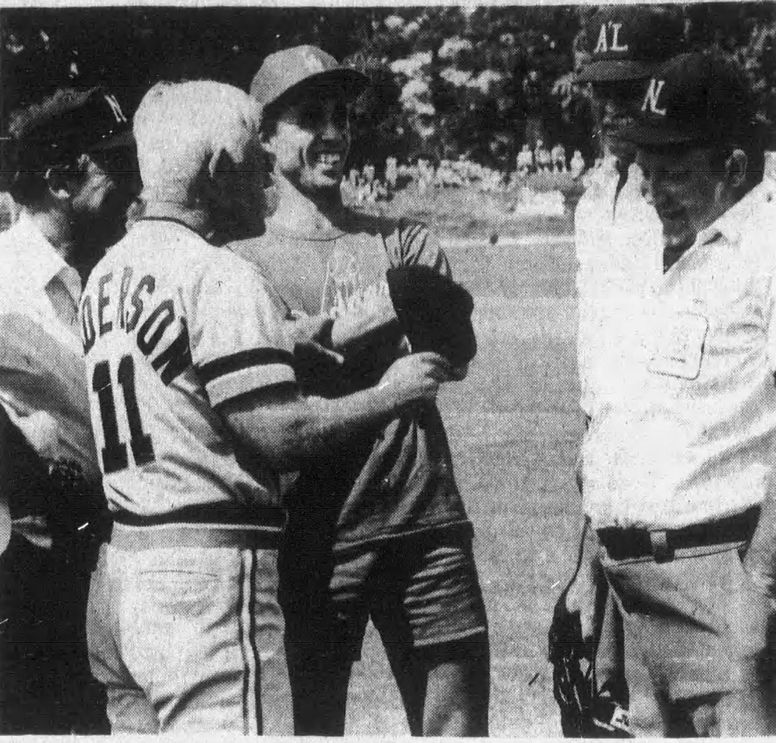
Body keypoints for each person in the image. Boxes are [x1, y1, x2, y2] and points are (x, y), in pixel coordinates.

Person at [79, 79, 454, 735]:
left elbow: (180, 376)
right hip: (203, 576)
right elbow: (280, 432)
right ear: (219, 167)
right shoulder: (221, 274)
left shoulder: (108, 271)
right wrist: (390, 394)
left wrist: (295, 337)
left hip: (124, 569)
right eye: (256, 160)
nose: (266, 178)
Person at [230, 45, 490, 737]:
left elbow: (450, 347)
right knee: (311, 726)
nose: (333, 134)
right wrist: (385, 322)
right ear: (265, 135)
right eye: (310, 118)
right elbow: (272, 401)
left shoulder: (401, 238)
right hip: (311, 534)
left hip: (425, 521)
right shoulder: (235, 264)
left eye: (341, 116)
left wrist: (314, 335)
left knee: (458, 728)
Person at [575, 50, 776, 737]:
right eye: (647, 171)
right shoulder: (670, 248)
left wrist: (759, 590)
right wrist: (589, 574)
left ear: (733, 167)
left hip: (719, 581)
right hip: (636, 589)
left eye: (672, 173)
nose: (653, 192)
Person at [561, 6, 685, 735]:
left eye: (628, 89)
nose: (610, 107)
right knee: (599, 685)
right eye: (600, 90)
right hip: (607, 450)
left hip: (674, 459)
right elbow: (597, 349)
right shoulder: (595, 196)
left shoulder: (686, 198)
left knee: (679, 683)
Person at [0, 86, 138, 733]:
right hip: (28, 580)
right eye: (118, 166)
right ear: (60, 181)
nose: (136, 187)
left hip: (110, 567)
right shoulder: (4, 283)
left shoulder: (109, 276)